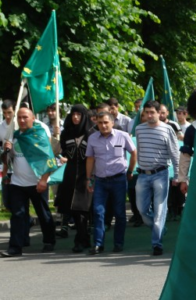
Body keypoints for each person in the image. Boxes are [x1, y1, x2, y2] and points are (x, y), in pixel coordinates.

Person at [1, 107, 58, 257]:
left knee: (43, 213)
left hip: (37, 183)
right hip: (17, 183)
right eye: (19, 117)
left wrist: (44, 180)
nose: (21, 120)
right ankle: (15, 247)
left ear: (33, 118)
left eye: (25, 117)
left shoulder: (39, 135)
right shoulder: (13, 136)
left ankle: (49, 240)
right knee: (18, 215)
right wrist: (6, 150)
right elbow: (7, 160)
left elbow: (49, 160)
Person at [85, 111, 137, 254]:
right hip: (100, 180)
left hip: (119, 179)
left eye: (106, 122)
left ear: (112, 123)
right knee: (98, 211)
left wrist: (130, 170)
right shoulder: (93, 138)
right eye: (100, 123)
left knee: (119, 213)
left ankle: (118, 243)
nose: (103, 125)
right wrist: (89, 179)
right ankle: (98, 244)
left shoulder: (123, 136)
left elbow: (133, 152)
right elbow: (90, 159)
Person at [134, 100, 179, 256]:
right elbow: (139, 149)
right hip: (142, 174)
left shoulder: (167, 129)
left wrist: (178, 175)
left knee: (160, 210)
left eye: (152, 112)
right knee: (142, 210)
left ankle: (156, 243)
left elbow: (174, 153)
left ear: (160, 113)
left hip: (161, 173)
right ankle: (159, 228)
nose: (149, 115)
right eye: (146, 112)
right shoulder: (139, 129)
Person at [55, 104, 94, 252]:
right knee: (73, 208)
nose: (76, 117)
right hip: (71, 173)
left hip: (87, 173)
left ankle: (84, 239)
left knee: (83, 208)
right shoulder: (66, 133)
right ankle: (82, 239)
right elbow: (64, 151)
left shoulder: (92, 133)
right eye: (73, 114)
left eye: (79, 114)